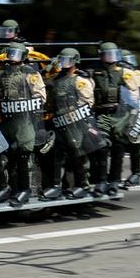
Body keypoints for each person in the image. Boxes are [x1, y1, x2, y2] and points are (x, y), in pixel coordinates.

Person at [0, 42, 47, 207]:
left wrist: (26, 104)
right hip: (6, 119)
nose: (12, 57)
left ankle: (24, 190)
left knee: (23, 155)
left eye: (16, 54)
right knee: (2, 155)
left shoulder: (30, 73)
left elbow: (41, 96)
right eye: (11, 53)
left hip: (24, 120)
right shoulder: (2, 73)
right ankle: (5, 188)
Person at [41, 48, 102, 200]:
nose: (64, 64)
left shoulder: (80, 80)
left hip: (76, 124)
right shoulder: (57, 79)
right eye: (62, 60)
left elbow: (88, 102)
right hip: (59, 123)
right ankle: (56, 186)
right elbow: (46, 90)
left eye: (68, 61)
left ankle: (83, 185)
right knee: (57, 155)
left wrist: (71, 111)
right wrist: (48, 68)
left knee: (77, 154)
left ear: (75, 61)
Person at [88, 42, 140, 194]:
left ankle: (114, 181)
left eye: (113, 54)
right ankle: (101, 181)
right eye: (107, 54)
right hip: (101, 114)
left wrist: (134, 75)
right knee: (102, 147)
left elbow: (135, 86)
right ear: (101, 55)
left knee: (119, 148)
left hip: (120, 114)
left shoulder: (124, 70)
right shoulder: (93, 70)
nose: (111, 58)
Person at [112, 48, 140, 188]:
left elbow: (135, 92)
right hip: (120, 114)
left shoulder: (134, 75)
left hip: (134, 114)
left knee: (134, 146)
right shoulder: (116, 74)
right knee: (118, 147)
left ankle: (136, 174)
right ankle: (115, 177)